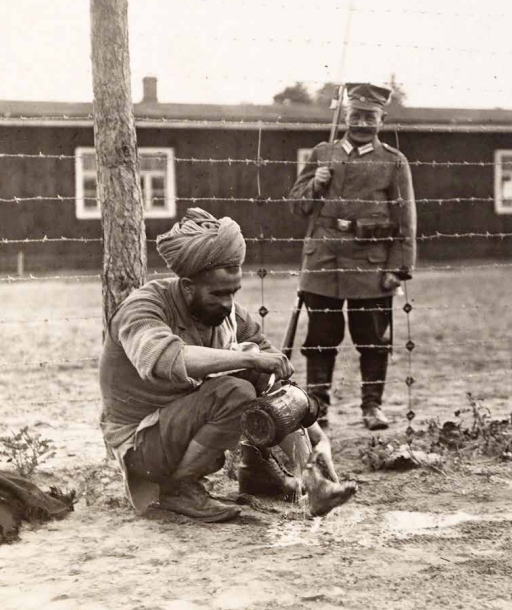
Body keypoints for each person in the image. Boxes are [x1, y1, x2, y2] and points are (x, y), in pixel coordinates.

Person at [99, 208, 340, 523]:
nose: (228, 303)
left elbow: (272, 376)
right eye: (218, 293)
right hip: (142, 443)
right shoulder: (145, 306)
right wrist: (248, 357)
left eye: (233, 292)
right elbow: (163, 359)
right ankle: (177, 490)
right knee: (235, 389)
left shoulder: (225, 313)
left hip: (179, 426)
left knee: (256, 374)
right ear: (187, 286)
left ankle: (292, 479)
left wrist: (311, 431)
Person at [289, 83, 417, 431]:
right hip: (323, 261)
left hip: (371, 264)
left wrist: (399, 268)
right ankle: (319, 407)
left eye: (369, 116)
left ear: (382, 118)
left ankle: (371, 407)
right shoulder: (322, 152)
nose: (361, 123)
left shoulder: (393, 161)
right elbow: (298, 206)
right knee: (320, 338)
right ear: (345, 115)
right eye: (355, 115)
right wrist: (315, 183)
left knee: (373, 340)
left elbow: (405, 217)